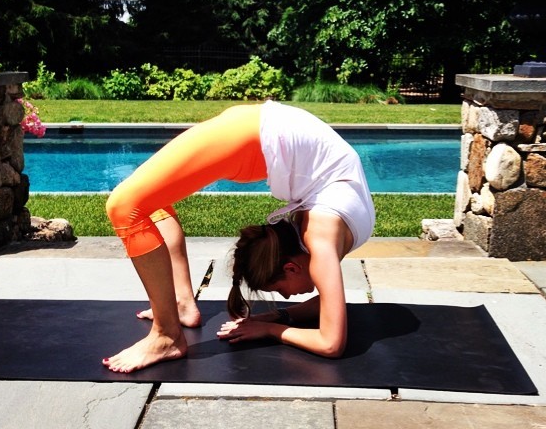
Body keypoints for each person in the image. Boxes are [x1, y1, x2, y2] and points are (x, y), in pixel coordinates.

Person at [103, 100, 375, 373]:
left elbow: (330, 325)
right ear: (291, 268)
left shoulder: (321, 238)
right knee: (125, 207)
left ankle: (180, 309)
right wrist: (273, 323)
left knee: (142, 198)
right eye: (280, 290)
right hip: (251, 136)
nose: (287, 296)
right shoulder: (321, 238)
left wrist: (270, 323)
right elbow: (331, 342)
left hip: (257, 133)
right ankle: (167, 335)